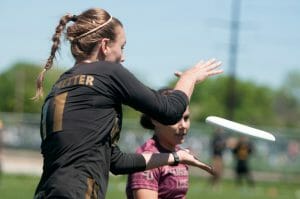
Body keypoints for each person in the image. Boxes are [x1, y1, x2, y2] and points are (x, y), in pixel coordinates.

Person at [33, 8, 222, 198]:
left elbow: (115, 162)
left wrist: (175, 157)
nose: (122, 58)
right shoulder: (107, 72)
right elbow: (170, 111)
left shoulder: (60, 85)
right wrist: (189, 77)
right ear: (105, 45)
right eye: (122, 47)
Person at [126, 88, 214, 199]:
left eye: (186, 118)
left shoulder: (181, 153)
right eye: (176, 119)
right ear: (155, 120)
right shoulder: (148, 157)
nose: (184, 126)